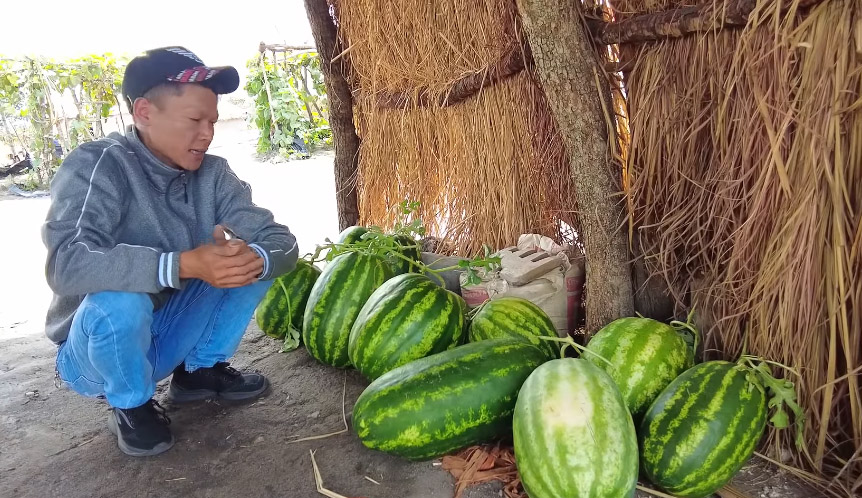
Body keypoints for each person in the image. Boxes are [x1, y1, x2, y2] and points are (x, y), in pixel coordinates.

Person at [41, 46, 298, 457]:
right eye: (195, 120)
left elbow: (280, 241)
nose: (207, 133)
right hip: (96, 356)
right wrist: (179, 265)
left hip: (169, 331)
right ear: (144, 112)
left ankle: (198, 371)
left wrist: (255, 258)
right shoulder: (97, 165)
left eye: (212, 121)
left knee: (246, 260)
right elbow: (67, 263)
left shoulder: (213, 175)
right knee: (121, 300)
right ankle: (131, 404)